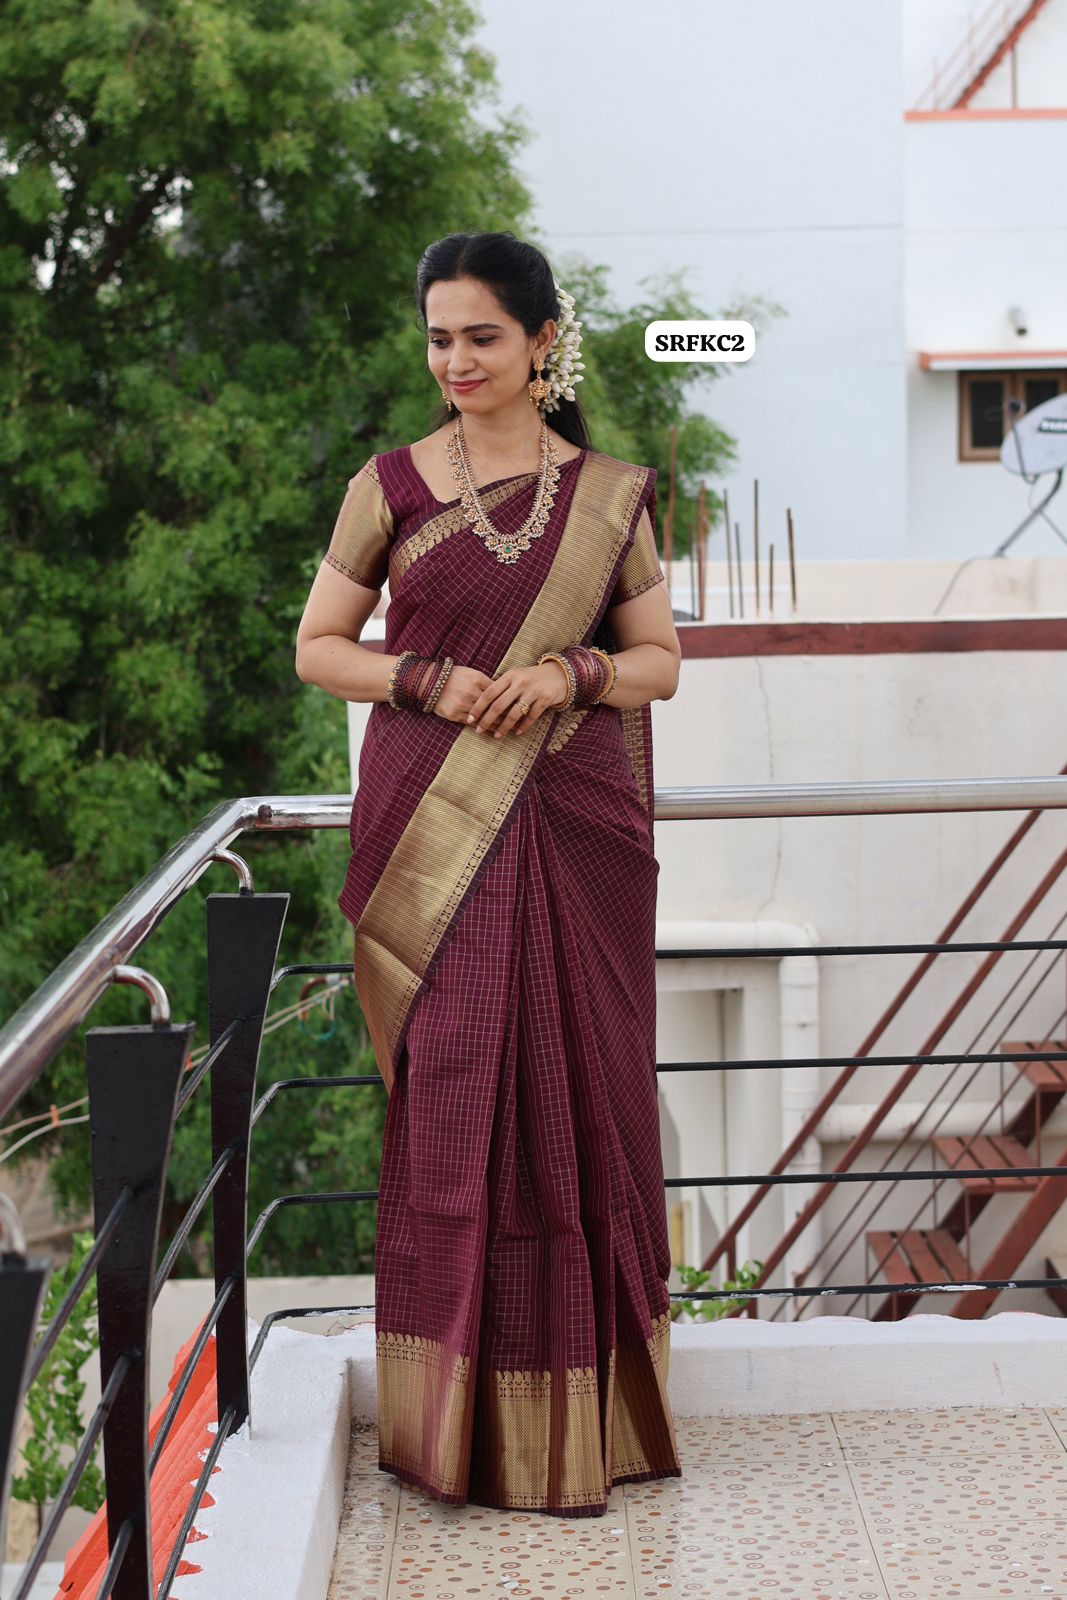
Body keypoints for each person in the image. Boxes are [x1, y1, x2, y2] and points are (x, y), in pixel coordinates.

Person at [295, 231, 683, 1518]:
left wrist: (568, 672)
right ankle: (450, 1433)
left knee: (578, 1106)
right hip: (435, 832)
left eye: (480, 337)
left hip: (569, 831)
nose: (454, 360)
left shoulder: (612, 494)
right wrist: (423, 677)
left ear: (538, 344)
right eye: (438, 337)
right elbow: (318, 647)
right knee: (456, 1106)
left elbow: (654, 662)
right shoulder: (390, 486)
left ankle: (591, 1426)